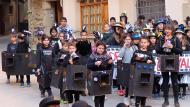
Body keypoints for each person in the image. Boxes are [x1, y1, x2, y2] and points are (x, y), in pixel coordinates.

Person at [156, 24, 182, 107]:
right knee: (165, 81)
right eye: (166, 29)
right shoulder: (161, 38)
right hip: (164, 59)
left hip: (174, 60)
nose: (167, 31)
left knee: (174, 81)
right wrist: (163, 46)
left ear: (172, 30)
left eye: (169, 29)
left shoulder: (176, 39)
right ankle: (166, 100)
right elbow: (157, 50)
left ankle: (176, 101)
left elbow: (180, 51)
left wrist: (172, 47)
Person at [87, 41, 113, 107]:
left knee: (103, 94)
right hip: (95, 76)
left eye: (102, 48)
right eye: (99, 48)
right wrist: (95, 64)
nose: (101, 50)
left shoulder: (107, 55)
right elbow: (88, 66)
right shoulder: (92, 55)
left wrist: (110, 63)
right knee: (97, 94)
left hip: (104, 76)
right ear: (96, 48)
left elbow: (109, 68)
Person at [131, 37, 155, 107]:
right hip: (138, 74)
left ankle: (143, 104)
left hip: (146, 74)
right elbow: (132, 61)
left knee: (144, 90)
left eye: (145, 42)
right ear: (139, 43)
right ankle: (137, 104)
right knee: (138, 89)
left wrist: (151, 62)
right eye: (142, 42)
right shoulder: (136, 52)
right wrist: (144, 60)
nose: (143, 44)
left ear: (148, 44)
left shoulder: (149, 53)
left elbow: (153, 63)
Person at [119, 34, 138, 106]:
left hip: (133, 65)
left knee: (133, 82)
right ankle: (126, 97)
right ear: (124, 40)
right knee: (127, 82)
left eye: (129, 39)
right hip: (126, 65)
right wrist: (124, 47)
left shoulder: (134, 47)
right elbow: (120, 55)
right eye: (126, 39)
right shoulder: (123, 47)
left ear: (131, 40)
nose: (128, 41)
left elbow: (137, 55)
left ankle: (132, 97)